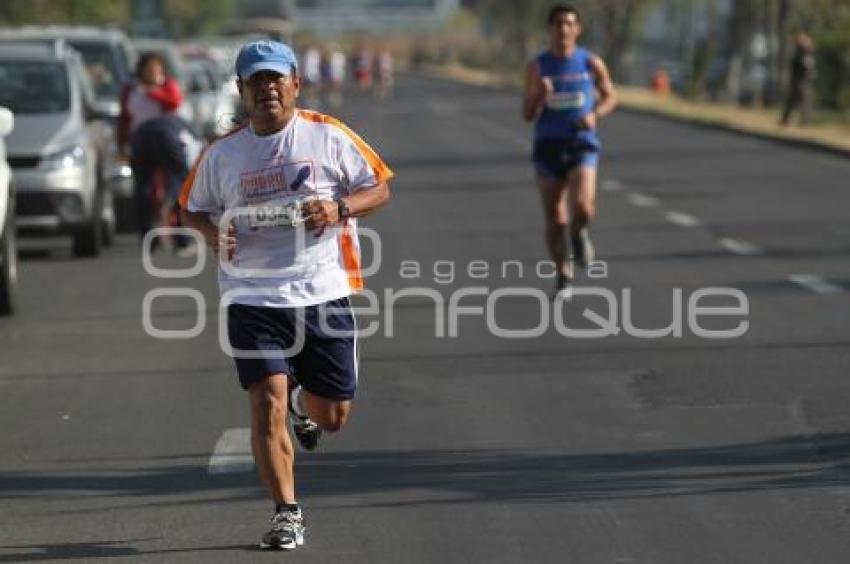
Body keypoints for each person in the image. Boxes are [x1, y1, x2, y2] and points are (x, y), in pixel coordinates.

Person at [179, 40, 392, 551]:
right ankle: (286, 513)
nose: (267, 88)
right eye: (256, 80)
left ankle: (304, 401)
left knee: (333, 416)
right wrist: (211, 233)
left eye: (276, 78)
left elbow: (380, 187)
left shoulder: (328, 136)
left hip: (323, 291)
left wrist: (340, 209)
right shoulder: (223, 153)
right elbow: (190, 207)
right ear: (242, 90)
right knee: (264, 400)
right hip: (251, 298)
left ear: (296, 82)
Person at [522, 3, 617, 293]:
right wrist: (539, 94)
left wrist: (595, 115)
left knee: (583, 207)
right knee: (555, 217)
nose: (563, 28)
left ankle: (579, 234)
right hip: (549, 146)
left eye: (569, 23)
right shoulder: (537, 66)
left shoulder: (591, 63)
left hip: (581, 143)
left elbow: (611, 96)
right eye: (558, 24)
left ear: (577, 29)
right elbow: (527, 114)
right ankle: (563, 274)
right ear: (550, 29)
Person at [130, 111, 201, 252]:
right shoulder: (196, 138)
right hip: (168, 138)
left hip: (141, 135)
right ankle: (182, 239)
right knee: (181, 186)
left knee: (143, 186)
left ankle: (146, 235)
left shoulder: (176, 122)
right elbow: (189, 169)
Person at [118, 53, 184, 159]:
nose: (152, 72)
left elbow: (175, 102)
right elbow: (125, 117)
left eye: (156, 69)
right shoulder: (132, 89)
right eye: (149, 69)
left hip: (165, 139)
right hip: (140, 139)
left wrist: (152, 93)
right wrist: (122, 143)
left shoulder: (168, 85)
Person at [780, 32, 816, 126]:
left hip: (802, 81)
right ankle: (801, 120)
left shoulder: (804, 54)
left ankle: (803, 120)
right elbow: (804, 66)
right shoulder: (799, 54)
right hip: (799, 81)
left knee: (801, 101)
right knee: (801, 101)